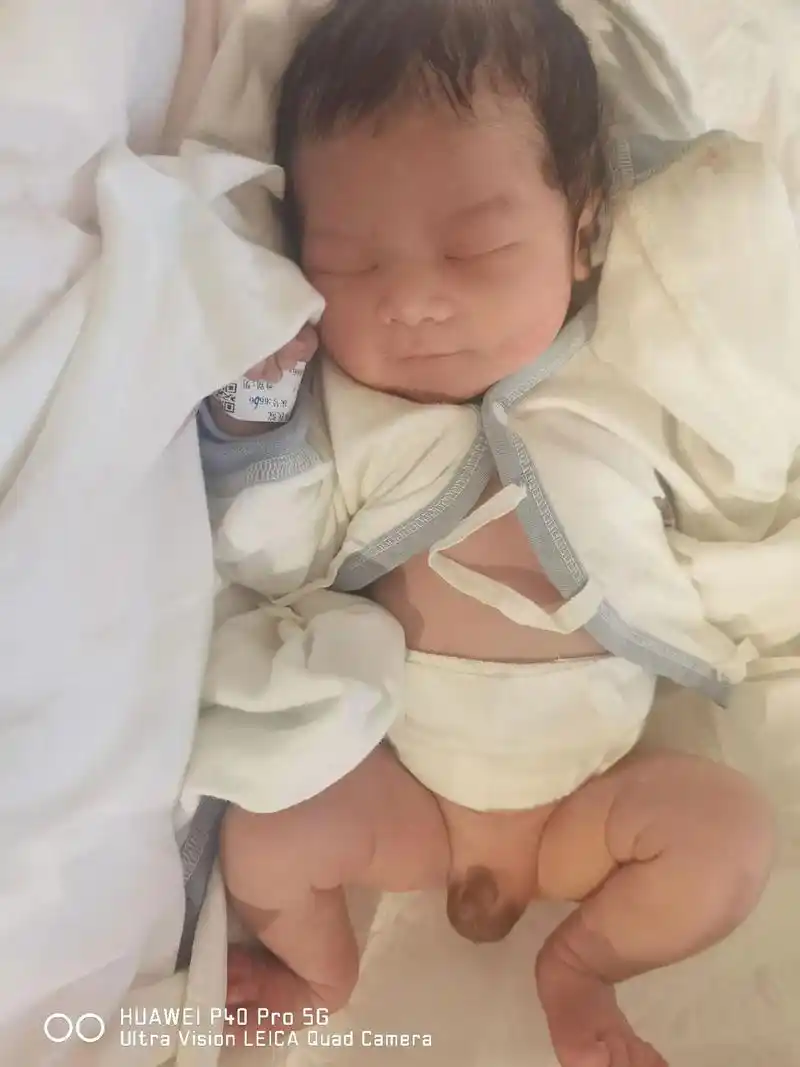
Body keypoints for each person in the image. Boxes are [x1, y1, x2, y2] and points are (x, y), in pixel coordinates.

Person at [191, 0, 794, 1063]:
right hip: (407, 797)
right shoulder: (350, 419)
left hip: (594, 802)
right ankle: (320, 976)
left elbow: (733, 470)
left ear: (584, 232)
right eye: (349, 262)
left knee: (730, 836)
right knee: (268, 833)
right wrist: (256, 417)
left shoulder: (619, 385)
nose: (412, 299)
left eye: (475, 248)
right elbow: (271, 551)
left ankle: (581, 966)